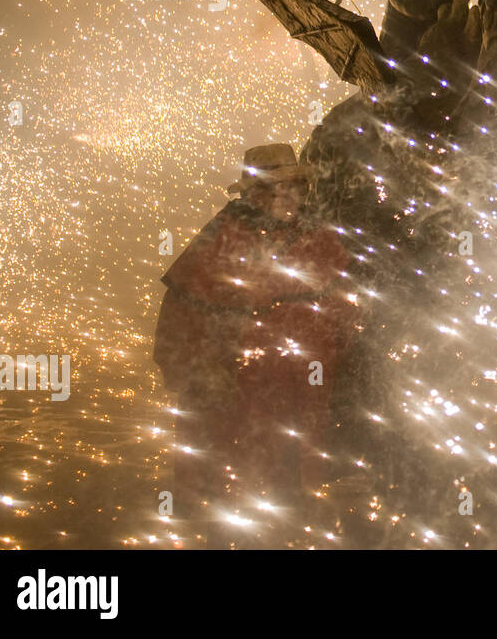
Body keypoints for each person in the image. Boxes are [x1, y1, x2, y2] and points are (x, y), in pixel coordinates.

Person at [153, 143, 360, 539]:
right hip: (236, 389)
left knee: (293, 495)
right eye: (271, 188)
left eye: (292, 187)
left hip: (302, 388)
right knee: (229, 498)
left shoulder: (315, 236)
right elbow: (179, 316)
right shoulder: (223, 235)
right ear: (251, 194)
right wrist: (199, 369)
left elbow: (345, 310)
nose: (284, 197)